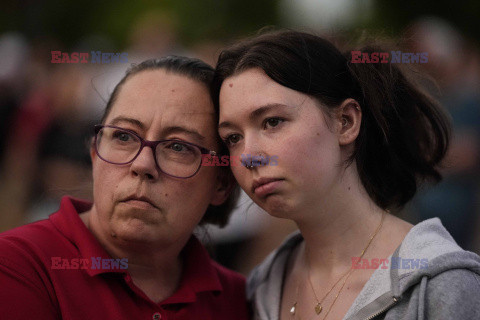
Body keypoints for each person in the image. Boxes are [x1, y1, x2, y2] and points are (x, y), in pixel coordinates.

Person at [213, 30, 480, 320]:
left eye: (272, 121)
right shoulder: (262, 286)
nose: (249, 156)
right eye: (232, 138)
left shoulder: (440, 285)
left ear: (346, 122)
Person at [0, 56, 249, 320]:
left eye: (178, 147)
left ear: (221, 184)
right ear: (95, 151)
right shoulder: (18, 266)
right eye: (123, 136)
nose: (142, 164)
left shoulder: (239, 300)